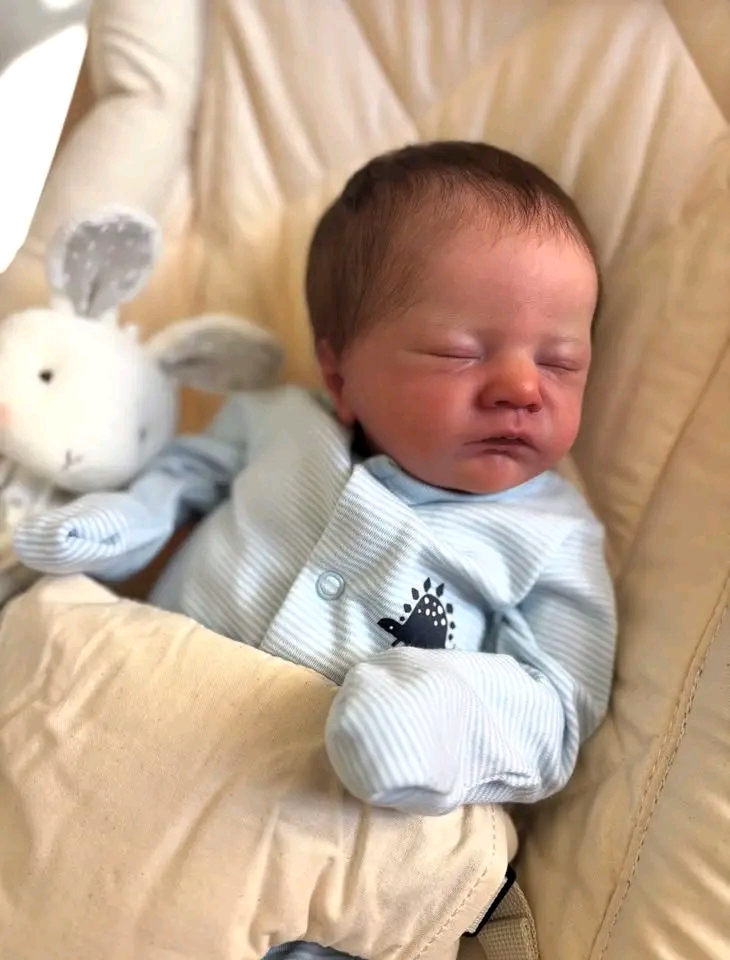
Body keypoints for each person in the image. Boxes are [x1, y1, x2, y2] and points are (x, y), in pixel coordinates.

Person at [15, 139, 615, 830]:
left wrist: (438, 713)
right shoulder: (278, 421)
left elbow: (562, 706)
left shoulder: (553, 537)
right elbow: (187, 471)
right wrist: (125, 521)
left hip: (312, 815)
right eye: (459, 353)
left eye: (561, 363)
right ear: (339, 376)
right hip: (136, 714)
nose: (523, 388)